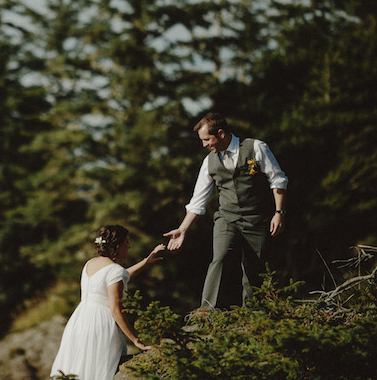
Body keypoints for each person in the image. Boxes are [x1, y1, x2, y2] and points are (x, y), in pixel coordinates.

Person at [164, 113, 288, 309]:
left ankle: (254, 316)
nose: (204, 144)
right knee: (220, 257)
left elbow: (277, 179)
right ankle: (207, 313)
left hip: (256, 218)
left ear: (221, 134)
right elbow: (198, 200)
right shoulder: (209, 162)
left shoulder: (255, 147)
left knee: (254, 269)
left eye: (207, 139)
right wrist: (183, 229)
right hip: (227, 217)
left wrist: (278, 212)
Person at [50, 225, 166, 380]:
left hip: (80, 323)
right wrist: (136, 340)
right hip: (100, 327)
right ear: (118, 246)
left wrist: (145, 261)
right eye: (126, 242)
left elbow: (121, 276)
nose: (129, 246)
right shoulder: (115, 270)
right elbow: (116, 310)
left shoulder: (90, 264)